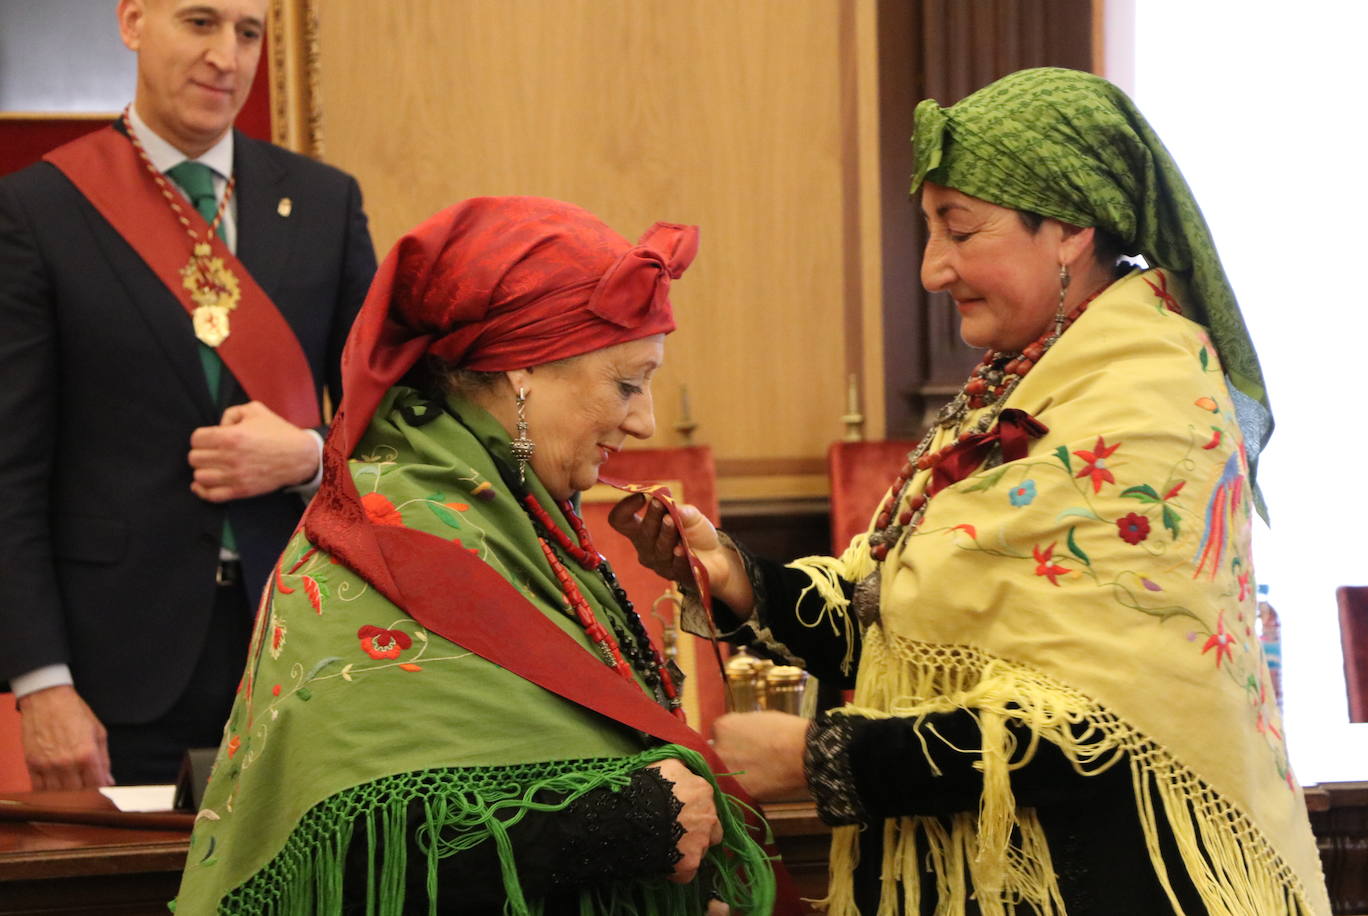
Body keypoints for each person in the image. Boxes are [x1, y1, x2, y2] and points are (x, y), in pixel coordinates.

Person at [613, 68, 1330, 915]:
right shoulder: (1022, 382)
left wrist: (819, 756)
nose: (931, 270)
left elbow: (1093, 731)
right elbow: (893, 615)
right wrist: (733, 574)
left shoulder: (1152, 404)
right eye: (930, 231)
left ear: (1068, 228)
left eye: (960, 231)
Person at [173, 196, 793, 914]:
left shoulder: (515, 506)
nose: (646, 420)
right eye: (627, 382)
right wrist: (625, 823)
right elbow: (354, 851)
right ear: (523, 373)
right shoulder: (381, 542)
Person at [0, 0, 376, 788]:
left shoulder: (324, 203)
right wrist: (41, 682)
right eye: (199, 23)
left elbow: (394, 424)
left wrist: (308, 457)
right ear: (133, 21)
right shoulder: (37, 210)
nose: (227, 58)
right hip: (115, 670)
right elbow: (10, 467)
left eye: (247, 32)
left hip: (303, 645)